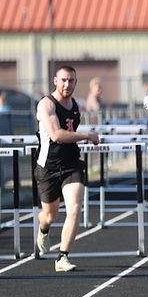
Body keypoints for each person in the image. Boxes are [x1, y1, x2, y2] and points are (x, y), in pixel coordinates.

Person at [35, 65, 101, 272]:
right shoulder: (46, 105)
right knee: (50, 215)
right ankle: (44, 228)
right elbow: (56, 135)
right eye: (63, 80)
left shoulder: (74, 104)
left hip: (71, 163)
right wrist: (87, 135)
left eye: (71, 81)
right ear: (55, 80)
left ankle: (62, 257)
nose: (67, 84)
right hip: (49, 166)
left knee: (74, 208)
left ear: (75, 82)